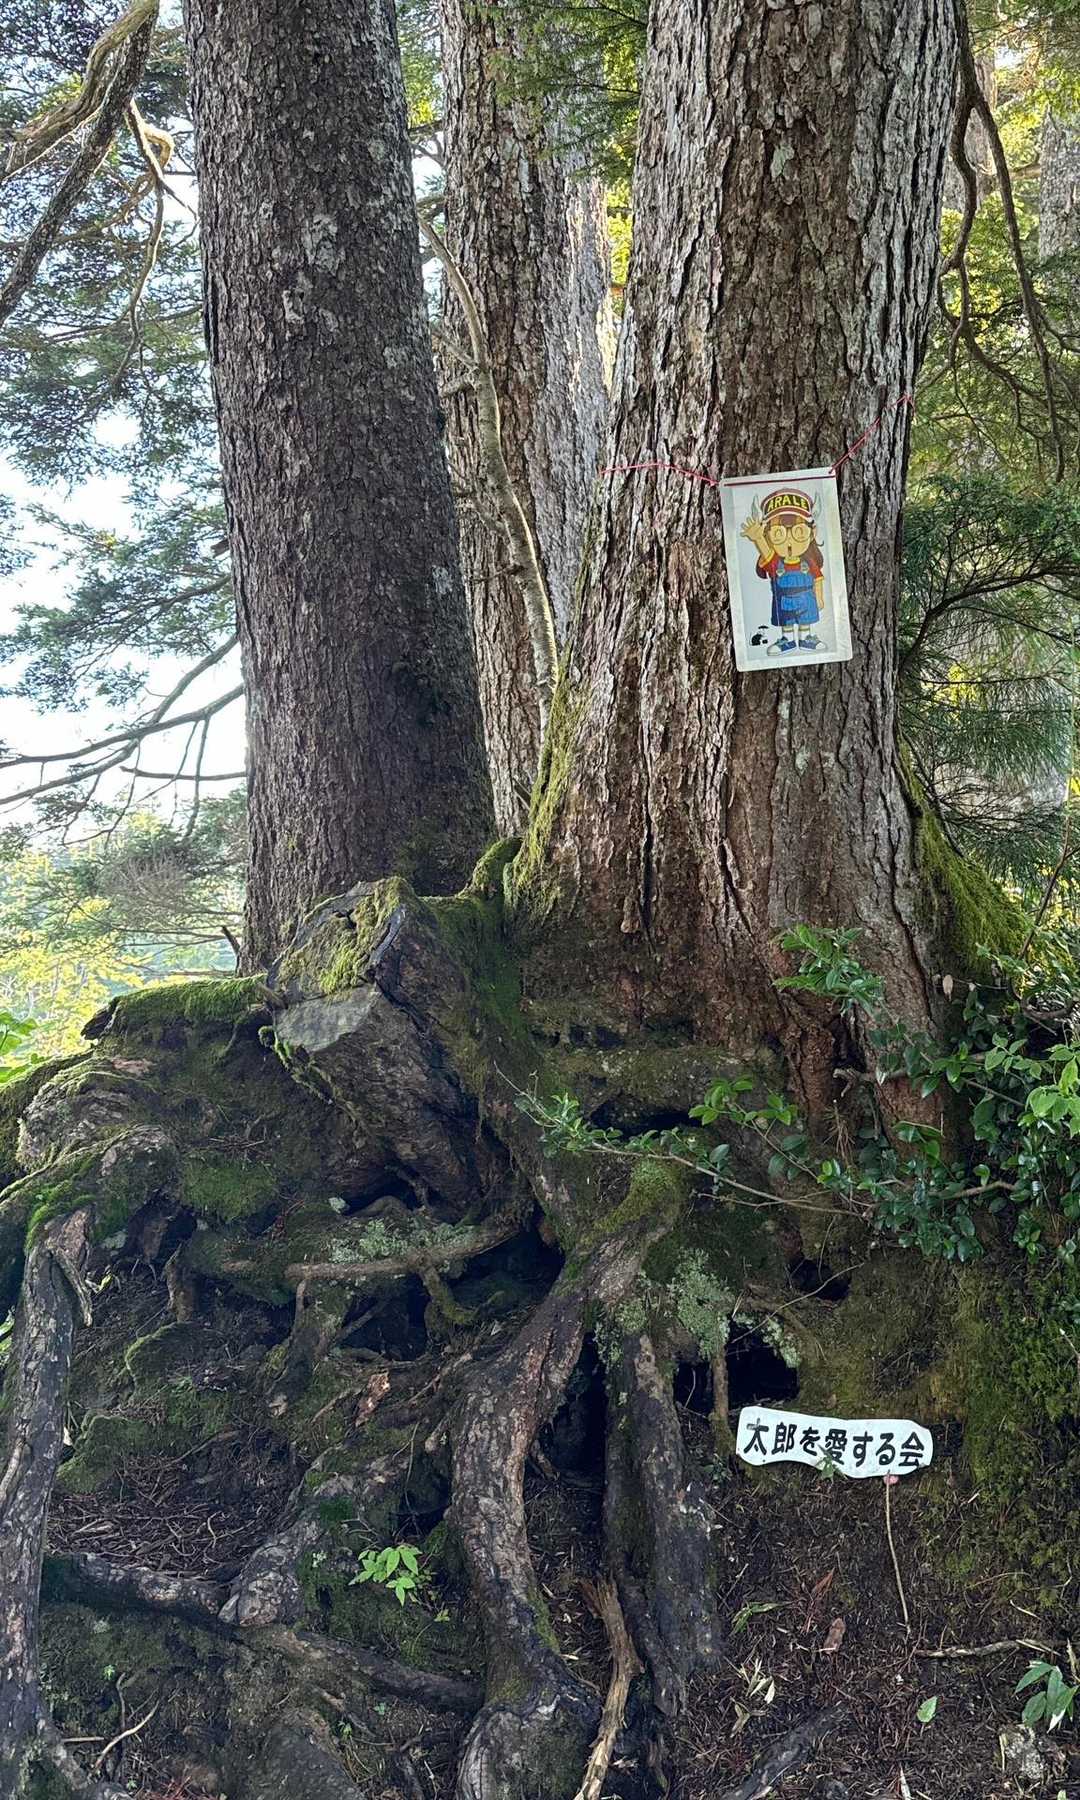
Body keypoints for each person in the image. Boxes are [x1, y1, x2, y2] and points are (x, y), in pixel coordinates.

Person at [741, 487, 826, 655]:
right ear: (769, 537)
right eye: (778, 534)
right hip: (783, 602)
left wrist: (819, 597)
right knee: (786, 623)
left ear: (812, 533)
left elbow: (818, 578)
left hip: (807, 602)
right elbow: (766, 552)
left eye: (799, 532)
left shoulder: (809, 562)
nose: (789, 541)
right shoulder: (774, 562)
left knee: (805, 622)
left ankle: (806, 639)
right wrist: (757, 538)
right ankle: (787, 640)